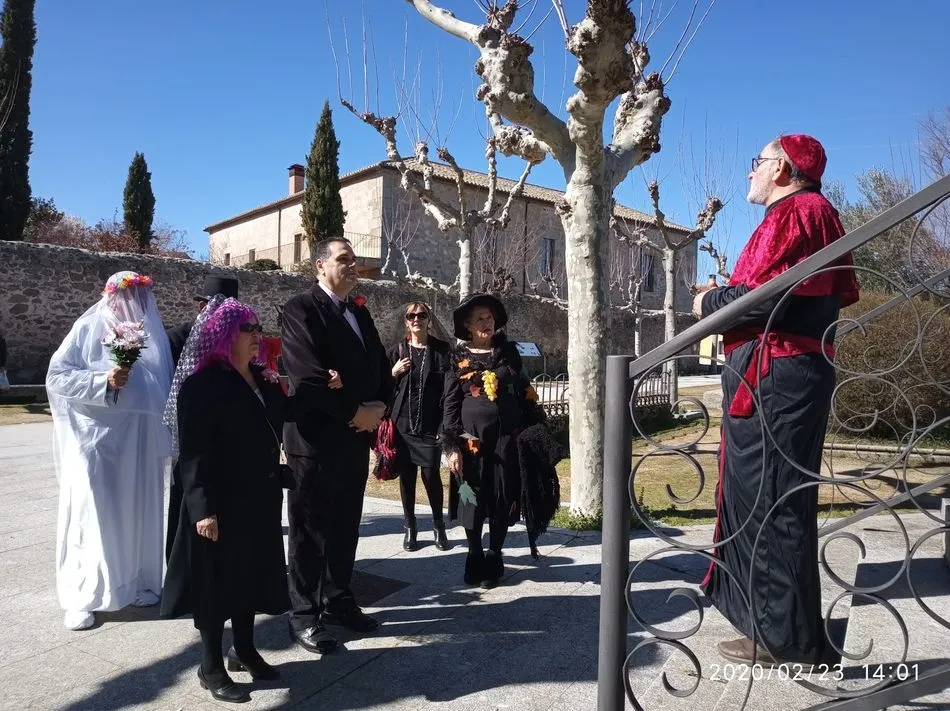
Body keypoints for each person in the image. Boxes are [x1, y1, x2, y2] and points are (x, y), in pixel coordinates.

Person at [694, 135, 859, 666]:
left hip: (777, 379)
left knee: (772, 504)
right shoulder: (807, 213)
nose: (751, 173)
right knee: (768, 501)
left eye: (758, 163)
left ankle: (783, 640)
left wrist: (709, 301)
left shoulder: (797, 212)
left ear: (783, 169)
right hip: (779, 376)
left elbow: (765, 299)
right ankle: (780, 629)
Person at [160, 297, 291, 704]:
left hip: (259, 498)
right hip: (218, 503)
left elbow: (283, 420)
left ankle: (245, 649)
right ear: (225, 334)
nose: (257, 335)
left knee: (250, 575)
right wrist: (202, 510)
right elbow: (193, 454)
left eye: (257, 328)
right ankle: (210, 664)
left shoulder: (262, 378)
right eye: (248, 329)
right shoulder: (201, 385)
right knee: (214, 585)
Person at [280, 237, 392, 654]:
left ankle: (339, 599)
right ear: (320, 266)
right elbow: (308, 378)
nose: (353, 265)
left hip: (354, 439)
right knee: (310, 531)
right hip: (314, 441)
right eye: (344, 259)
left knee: (345, 525)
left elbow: (381, 367)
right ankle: (304, 615)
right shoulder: (300, 310)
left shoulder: (359, 313)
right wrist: (353, 410)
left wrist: (378, 407)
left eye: (354, 259)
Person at [46, 271, 174, 630]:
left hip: (139, 441)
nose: (136, 303)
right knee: (94, 515)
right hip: (97, 442)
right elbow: (57, 376)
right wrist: (101, 380)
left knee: (138, 512)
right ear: (112, 296)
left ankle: (138, 582)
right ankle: (83, 595)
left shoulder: (152, 336)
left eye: (142, 296)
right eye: (130, 295)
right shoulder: (87, 328)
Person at [441, 293, 539, 588]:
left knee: (501, 497)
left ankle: (495, 555)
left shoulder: (508, 354)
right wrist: (451, 446)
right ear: (468, 326)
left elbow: (521, 389)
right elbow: (450, 404)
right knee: (470, 498)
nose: (487, 323)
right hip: (469, 442)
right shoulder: (457, 359)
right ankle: (474, 553)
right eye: (480, 319)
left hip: (505, 441)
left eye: (490, 318)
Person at [164, 275, 239, 562]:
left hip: (224, 431)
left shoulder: (235, 338)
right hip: (188, 429)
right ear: (201, 307)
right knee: (187, 495)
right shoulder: (176, 338)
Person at [387, 301, 452, 552]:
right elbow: (380, 386)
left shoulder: (442, 351)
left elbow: (448, 392)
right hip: (402, 424)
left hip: (430, 426)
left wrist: (443, 427)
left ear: (429, 320)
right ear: (406, 321)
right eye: (411, 316)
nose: (416, 319)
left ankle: (438, 526)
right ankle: (410, 527)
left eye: (422, 315)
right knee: (407, 477)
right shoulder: (397, 351)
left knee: (431, 476)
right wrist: (393, 373)